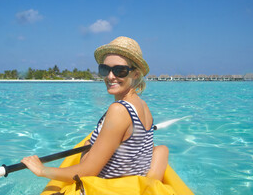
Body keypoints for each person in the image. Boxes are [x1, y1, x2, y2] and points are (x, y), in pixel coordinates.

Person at [21, 36, 168, 183]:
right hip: (133, 184)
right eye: (105, 69)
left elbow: (87, 173)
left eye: (120, 70)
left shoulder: (119, 110)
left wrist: (42, 170)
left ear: (136, 74)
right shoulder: (143, 106)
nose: (110, 76)